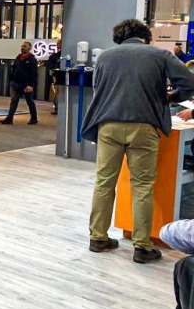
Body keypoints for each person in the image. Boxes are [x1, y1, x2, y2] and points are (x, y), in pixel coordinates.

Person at [82, 18, 194, 264]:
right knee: (142, 186)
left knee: (104, 183)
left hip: (108, 125)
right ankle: (142, 247)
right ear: (145, 36)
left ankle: (98, 237)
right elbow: (189, 82)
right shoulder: (159, 55)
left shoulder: (104, 57)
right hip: (143, 126)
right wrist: (172, 97)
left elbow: (99, 89)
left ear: (119, 37)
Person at [0, 41, 38, 125]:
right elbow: (14, 69)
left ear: (29, 48)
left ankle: (34, 118)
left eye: (25, 46)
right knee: (14, 100)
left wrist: (30, 85)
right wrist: (12, 80)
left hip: (26, 84)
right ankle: (9, 118)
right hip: (17, 84)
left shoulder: (32, 60)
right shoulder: (18, 58)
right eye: (22, 46)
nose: (23, 47)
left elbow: (33, 73)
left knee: (30, 101)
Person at [46, 39, 62, 116]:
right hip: (57, 76)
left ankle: (57, 108)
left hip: (57, 75)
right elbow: (51, 67)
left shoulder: (55, 56)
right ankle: (56, 107)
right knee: (57, 92)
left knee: (57, 92)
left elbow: (50, 67)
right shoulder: (54, 56)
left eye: (58, 43)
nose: (57, 45)